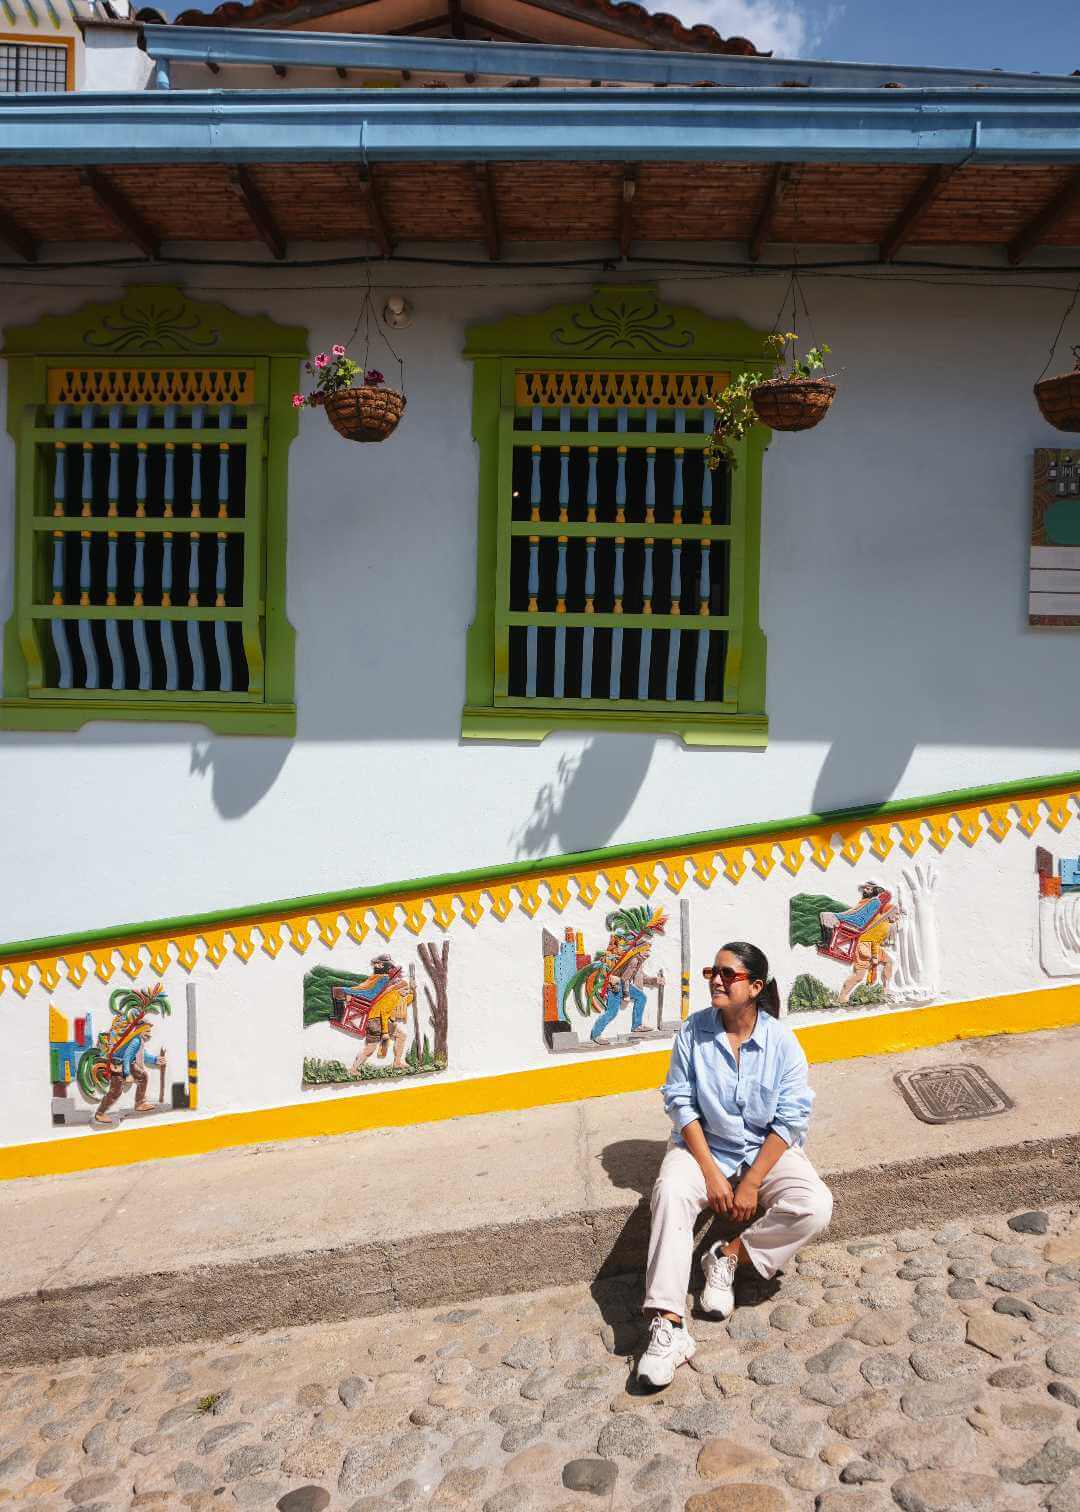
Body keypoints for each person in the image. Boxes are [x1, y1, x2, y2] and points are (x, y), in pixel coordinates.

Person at [637, 941, 832, 1387]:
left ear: (755, 986)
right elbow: (680, 1102)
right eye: (714, 972)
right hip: (705, 1148)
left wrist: (752, 1183)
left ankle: (727, 1256)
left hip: (763, 1150)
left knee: (815, 1205)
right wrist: (708, 1171)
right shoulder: (693, 1032)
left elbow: (792, 1117)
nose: (717, 981)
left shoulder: (782, 1043)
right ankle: (668, 1325)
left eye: (729, 974)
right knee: (670, 1193)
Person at [92, 1020, 163, 1129]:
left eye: (150, 1031)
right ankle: (100, 1113)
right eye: (147, 1031)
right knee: (116, 1091)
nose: (149, 1034)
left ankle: (140, 1103)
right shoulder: (135, 1041)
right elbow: (127, 1057)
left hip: (128, 1063)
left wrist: (154, 1060)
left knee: (143, 1076)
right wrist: (127, 1074)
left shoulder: (138, 1040)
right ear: (140, 1030)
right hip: (118, 1064)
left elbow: (141, 1053)